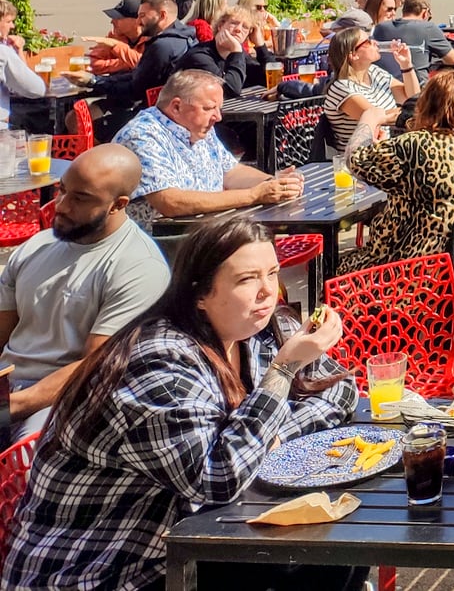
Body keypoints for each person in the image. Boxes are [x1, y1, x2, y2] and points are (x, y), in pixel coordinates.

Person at [1, 215, 359, 591]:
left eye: (272, 273)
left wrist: (270, 435)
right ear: (199, 295)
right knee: (319, 563)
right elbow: (217, 478)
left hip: (184, 544)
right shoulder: (158, 364)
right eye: (246, 279)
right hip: (101, 570)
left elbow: (340, 388)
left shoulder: (261, 331)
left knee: (339, 554)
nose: (267, 291)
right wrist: (283, 373)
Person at [0, 145, 167, 435]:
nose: (61, 205)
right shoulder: (37, 246)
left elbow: (94, 367)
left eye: (80, 199)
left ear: (118, 204)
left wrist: (12, 406)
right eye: (61, 190)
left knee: (28, 460)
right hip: (9, 385)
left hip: (64, 398)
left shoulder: (139, 266)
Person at [114, 68, 304, 231]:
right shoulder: (143, 135)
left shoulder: (197, 127)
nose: (218, 117)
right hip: (162, 243)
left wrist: (275, 183)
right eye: (209, 108)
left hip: (203, 231)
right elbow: (170, 202)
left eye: (218, 108)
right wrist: (254, 195)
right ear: (176, 107)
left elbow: (230, 172)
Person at [337, 68, 454, 274]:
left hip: (406, 268)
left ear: (427, 104)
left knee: (334, 271)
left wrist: (368, 120)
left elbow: (355, 159)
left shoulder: (415, 145)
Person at [89, 0, 199, 139]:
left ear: (162, 15)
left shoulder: (162, 46)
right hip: (176, 113)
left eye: (142, 16)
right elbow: (140, 75)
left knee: (92, 130)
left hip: (156, 118)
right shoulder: (187, 37)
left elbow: (136, 90)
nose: (139, 21)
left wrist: (94, 82)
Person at [320, 23, 419, 154]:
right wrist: (418, 110)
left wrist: (406, 64)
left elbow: (412, 97)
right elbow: (375, 117)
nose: (375, 42)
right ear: (353, 55)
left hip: (383, 152)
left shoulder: (374, 72)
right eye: (368, 41)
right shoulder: (341, 88)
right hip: (359, 160)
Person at [377, 0, 454, 84]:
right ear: (425, 13)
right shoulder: (428, 28)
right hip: (417, 90)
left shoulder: (381, 27)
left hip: (384, 89)